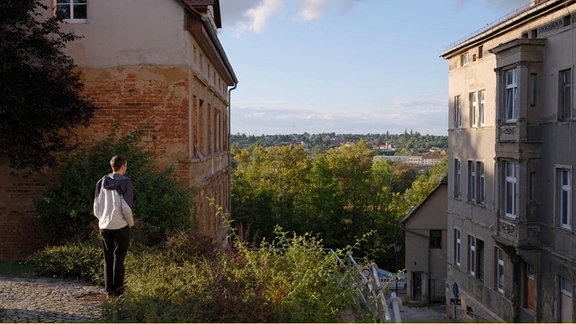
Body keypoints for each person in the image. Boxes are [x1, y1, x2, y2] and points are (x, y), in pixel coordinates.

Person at [93, 155, 134, 297]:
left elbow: (96, 206)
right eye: (126, 165)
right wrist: (130, 223)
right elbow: (126, 207)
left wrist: (102, 220)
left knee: (108, 258)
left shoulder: (101, 182)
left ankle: (108, 289)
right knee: (119, 259)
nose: (126, 168)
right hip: (121, 226)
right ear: (122, 166)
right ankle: (118, 290)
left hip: (104, 226)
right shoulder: (126, 183)